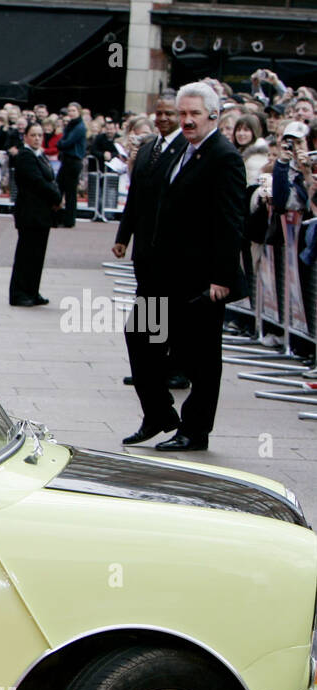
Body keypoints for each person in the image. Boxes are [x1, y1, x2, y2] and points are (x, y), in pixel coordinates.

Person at [125, 82, 247, 453]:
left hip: (200, 278)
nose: (187, 120)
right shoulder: (182, 151)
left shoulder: (224, 157)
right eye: (183, 114)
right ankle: (159, 414)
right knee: (140, 336)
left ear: (214, 114)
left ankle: (195, 431)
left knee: (201, 357)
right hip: (162, 272)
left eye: (195, 113)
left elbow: (230, 220)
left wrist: (222, 277)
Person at [114, 93, 186, 407]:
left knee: (162, 312)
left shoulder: (185, 149)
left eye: (170, 113)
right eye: (159, 113)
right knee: (147, 310)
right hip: (144, 246)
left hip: (170, 249)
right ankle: (147, 368)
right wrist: (123, 236)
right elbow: (136, 198)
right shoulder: (147, 149)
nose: (163, 118)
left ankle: (167, 368)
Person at [8, 123, 61, 306]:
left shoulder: (41, 155)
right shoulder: (25, 156)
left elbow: (50, 178)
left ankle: (32, 290)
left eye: (40, 135)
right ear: (26, 137)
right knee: (26, 254)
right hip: (29, 212)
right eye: (33, 135)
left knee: (37, 255)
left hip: (42, 213)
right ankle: (19, 293)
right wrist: (56, 196)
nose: (37, 138)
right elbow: (37, 181)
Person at [55, 102, 86, 227]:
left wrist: (60, 144)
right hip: (67, 160)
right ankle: (59, 218)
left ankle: (69, 220)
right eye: (70, 111)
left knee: (70, 192)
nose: (71, 113)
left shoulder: (79, 126)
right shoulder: (71, 125)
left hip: (73, 161)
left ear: (79, 112)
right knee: (60, 188)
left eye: (73, 110)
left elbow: (67, 142)